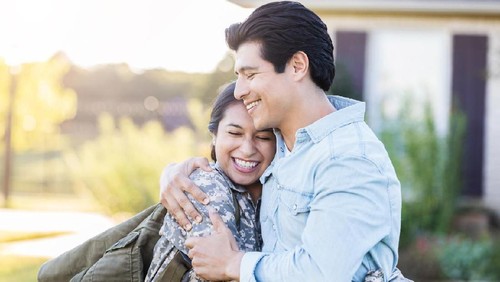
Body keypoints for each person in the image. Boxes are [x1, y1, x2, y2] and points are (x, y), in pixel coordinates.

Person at [159, 1, 410, 281]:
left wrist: (233, 264)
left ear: (297, 66)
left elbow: (321, 273)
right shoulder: (279, 144)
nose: (240, 91)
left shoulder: (348, 158)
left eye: (250, 74)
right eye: (238, 77)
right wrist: (174, 173)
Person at [145, 81, 276, 281]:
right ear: (214, 135)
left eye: (263, 137)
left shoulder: (277, 190)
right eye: (234, 133)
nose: (248, 149)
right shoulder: (205, 186)